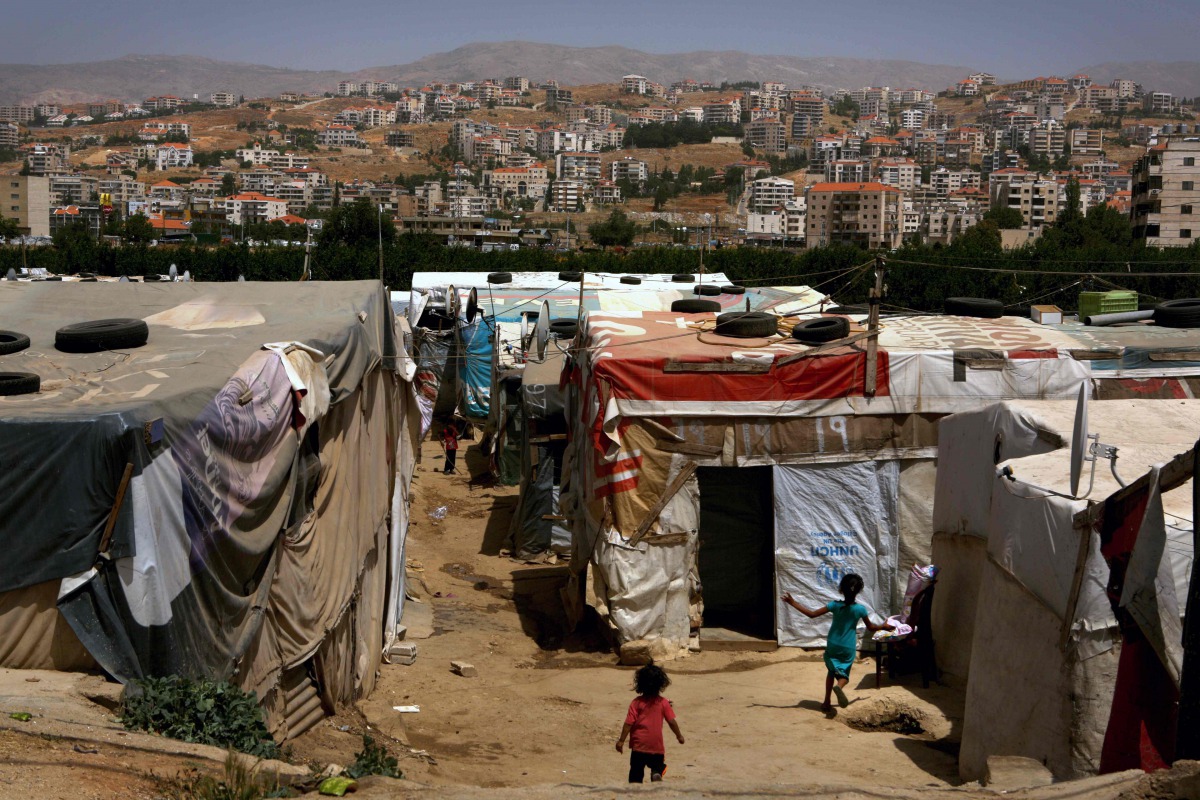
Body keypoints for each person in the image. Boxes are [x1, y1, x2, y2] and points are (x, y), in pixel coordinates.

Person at [781, 573, 893, 711]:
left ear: (841, 589)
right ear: (858, 591)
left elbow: (811, 614)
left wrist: (793, 602)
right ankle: (839, 686)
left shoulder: (834, 605)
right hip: (848, 646)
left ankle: (827, 701)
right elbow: (871, 627)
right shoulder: (860, 609)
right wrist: (884, 626)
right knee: (844, 675)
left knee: (831, 671)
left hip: (833, 643)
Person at [615, 663, 684, 783]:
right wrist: (679, 735)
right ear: (661, 684)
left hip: (638, 745)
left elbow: (628, 723)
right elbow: (671, 721)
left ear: (640, 683)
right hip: (655, 745)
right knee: (657, 765)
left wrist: (621, 741)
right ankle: (656, 773)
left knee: (636, 772)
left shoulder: (636, 703)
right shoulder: (663, 703)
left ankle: (634, 791)